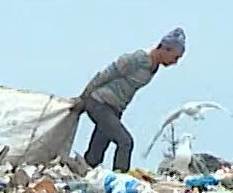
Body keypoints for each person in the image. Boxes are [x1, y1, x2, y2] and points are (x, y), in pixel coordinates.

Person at [73, 28, 185, 173]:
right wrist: (83, 98)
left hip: (115, 109)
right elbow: (105, 74)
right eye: (175, 57)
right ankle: (120, 181)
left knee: (96, 152)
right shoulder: (138, 58)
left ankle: (84, 176)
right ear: (165, 48)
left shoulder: (154, 67)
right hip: (99, 103)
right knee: (125, 141)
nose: (175, 62)